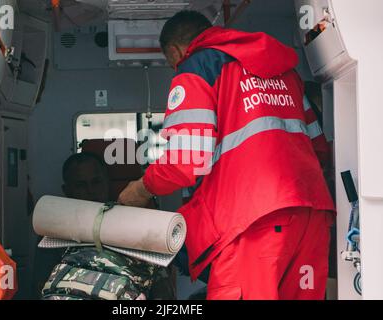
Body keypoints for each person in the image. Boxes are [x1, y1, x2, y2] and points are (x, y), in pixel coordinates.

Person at [118, 10, 336, 300]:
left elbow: (184, 161)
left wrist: (141, 189)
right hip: (310, 218)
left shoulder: (196, 66)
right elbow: (319, 148)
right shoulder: (285, 72)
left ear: (175, 51)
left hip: (250, 226)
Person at [33, 152, 175, 299]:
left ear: (107, 182)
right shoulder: (53, 230)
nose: (90, 190)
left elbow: (162, 289)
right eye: (81, 185)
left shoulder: (133, 226)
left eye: (96, 182)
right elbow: (41, 287)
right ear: (67, 190)